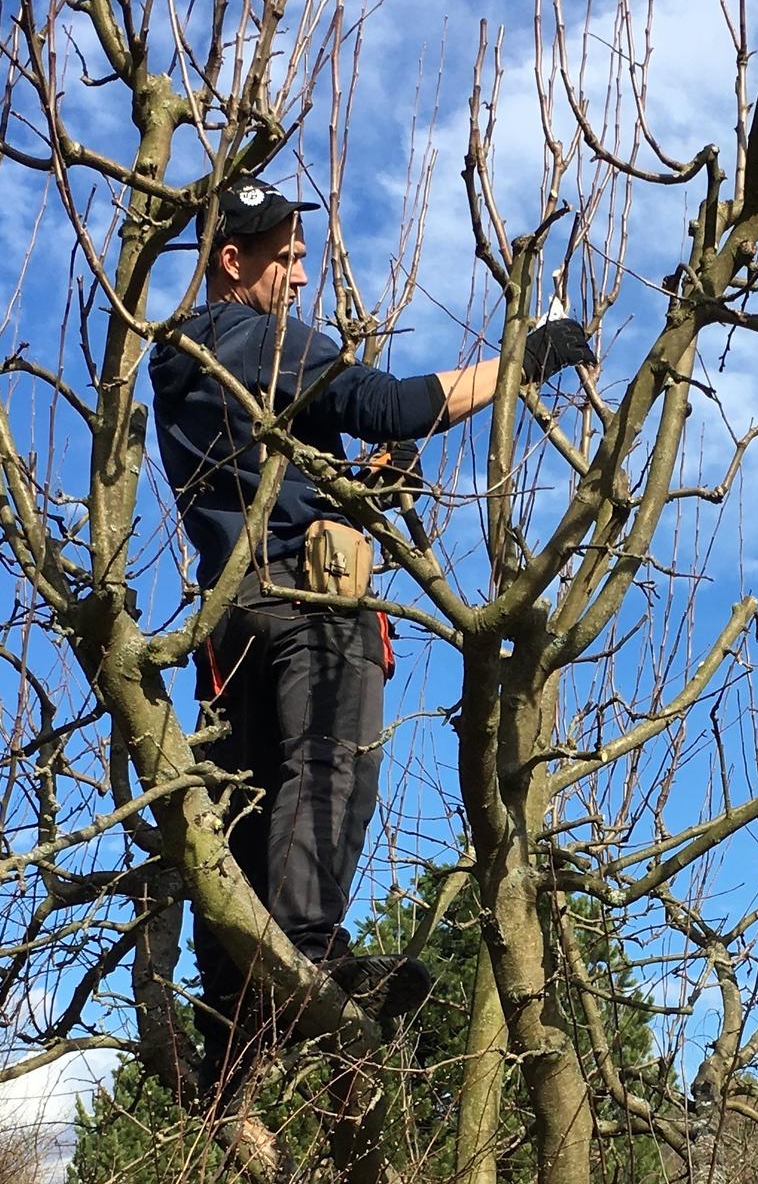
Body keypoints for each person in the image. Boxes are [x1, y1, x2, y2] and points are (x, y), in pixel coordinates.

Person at [148, 174, 591, 1087]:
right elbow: (394, 402)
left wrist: (364, 484)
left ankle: (231, 1019)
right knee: (330, 772)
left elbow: (281, 464)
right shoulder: (247, 335)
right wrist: (531, 353)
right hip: (309, 610)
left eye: (306, 258)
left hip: (233, 622)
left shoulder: (191, 364)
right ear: (233, 262)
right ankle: (309, 958)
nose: (301, 277)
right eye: (286, 259)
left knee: (246, 797)